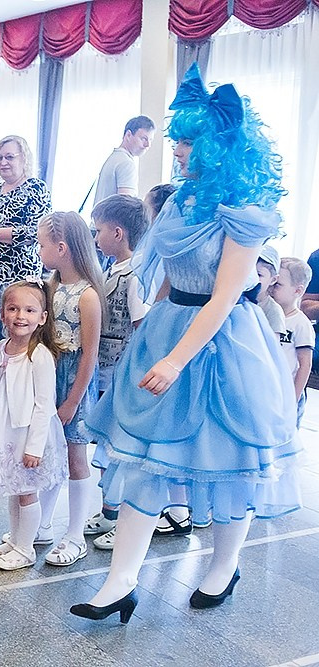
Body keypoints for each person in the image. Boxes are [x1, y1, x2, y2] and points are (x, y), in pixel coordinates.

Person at [71, 64, 297, 623]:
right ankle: (121, 582)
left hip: (227, 345)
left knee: (230, 460)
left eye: (187, 142)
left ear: (218, 146)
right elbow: (172, 268)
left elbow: (223, 298)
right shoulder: (180, 201)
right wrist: (155, 328)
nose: (176, 151)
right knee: (147, 460)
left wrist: (175, 357)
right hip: (173, 329)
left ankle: (224, 566)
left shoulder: (245, 211)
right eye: (177, 141)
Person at [0, 280, 68, 571]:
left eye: (30, 310)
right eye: (13, 308)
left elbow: (45, 405)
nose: (21, 315)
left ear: (42, 317)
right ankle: (16, 539)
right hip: (5, 430)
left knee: (27, 490)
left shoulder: (39, 356)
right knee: (14, 489)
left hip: (28, 435)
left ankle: (26, 548)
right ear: (2, 313)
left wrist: (35, 447)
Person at [35, 211, 102, 568]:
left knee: (76, 458)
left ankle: (75, 533)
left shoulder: (87, 296)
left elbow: (90, 354)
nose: (39, 249)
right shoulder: (50, 285)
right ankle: (42, 523)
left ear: (61, 248)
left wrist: (73, 400)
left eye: (43, 244)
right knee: (47, 452)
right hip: (50, 375)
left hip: (73, 381)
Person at [85, 195, 150, 550]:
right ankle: (108, 511)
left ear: (117, 232)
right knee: (105, 447)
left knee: (119, 449)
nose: (95, 239)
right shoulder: (114, 267)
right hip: (107, 370)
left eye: (98, 231)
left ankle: (123, 518)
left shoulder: (135, 275)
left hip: (122, 370)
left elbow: (140, 326)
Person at [0, 136, 52, 303]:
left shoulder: (36, 188)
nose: (3, 162)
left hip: (19, 278)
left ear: (24, 158)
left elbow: (36, 232)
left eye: (9, 157)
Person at [271, 257, 314, 426]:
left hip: (288, 392)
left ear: (298, 291)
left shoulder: (300, 323)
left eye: (278, 284)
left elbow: (305, 365)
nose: (272, 288)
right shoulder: (266, 315)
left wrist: (293, 398)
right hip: (269, 389)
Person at [93, 116, 156, 203]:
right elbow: (125, 208)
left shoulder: (114, 158)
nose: (148, 145)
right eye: (144, 139)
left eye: (150, 140)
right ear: (128, 135)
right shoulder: (126, 163)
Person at [255, 245, 286, 338]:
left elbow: (273, 347)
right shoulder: (232, 300)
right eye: (247, 271)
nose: (252, 278)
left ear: (273, 280)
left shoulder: (273, 311)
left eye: (259, 275)